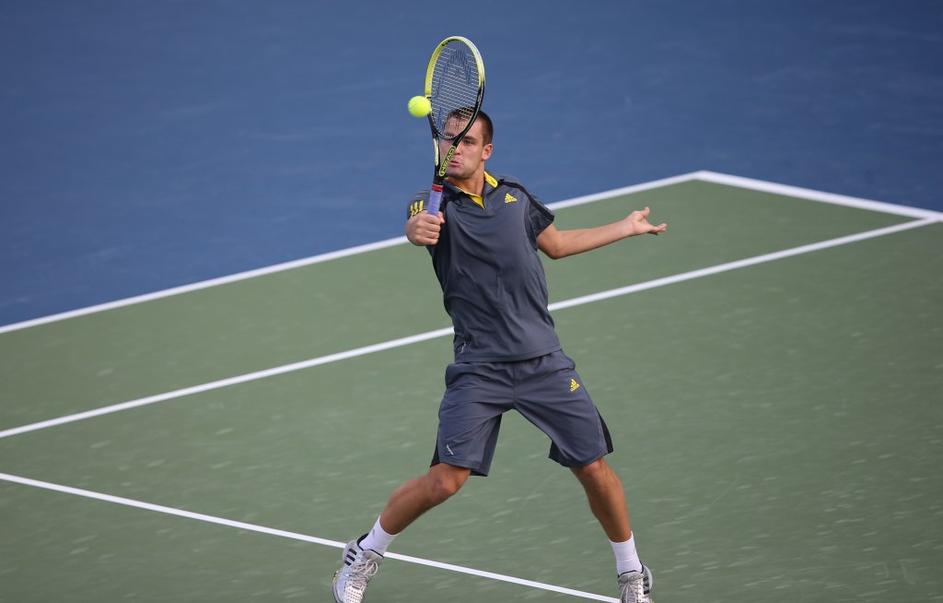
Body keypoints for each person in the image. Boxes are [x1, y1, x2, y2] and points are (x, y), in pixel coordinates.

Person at [332, 110, 666, 603]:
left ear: (486, 151)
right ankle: (363, 554)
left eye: (467, 141)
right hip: (479, 367)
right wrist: (416, 228)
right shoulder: (433, 204)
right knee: (445, 481)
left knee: (593, 467)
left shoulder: (516, 197)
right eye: (448, 140)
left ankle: (632, 574)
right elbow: (418, 225)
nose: (455, 148)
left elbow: (557, 245)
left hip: (542, 361)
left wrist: (625, 226)